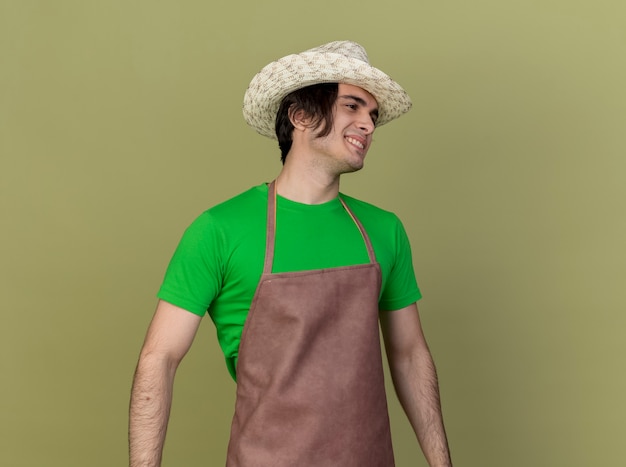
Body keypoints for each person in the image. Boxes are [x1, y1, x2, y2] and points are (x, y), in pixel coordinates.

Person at [129, 40, 452, 467]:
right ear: (300, 116)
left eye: (373, 115)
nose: (368, 125)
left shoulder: (383, 230)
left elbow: (410, 354)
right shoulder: (220, 230)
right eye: (352, 106)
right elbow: (160, 358)